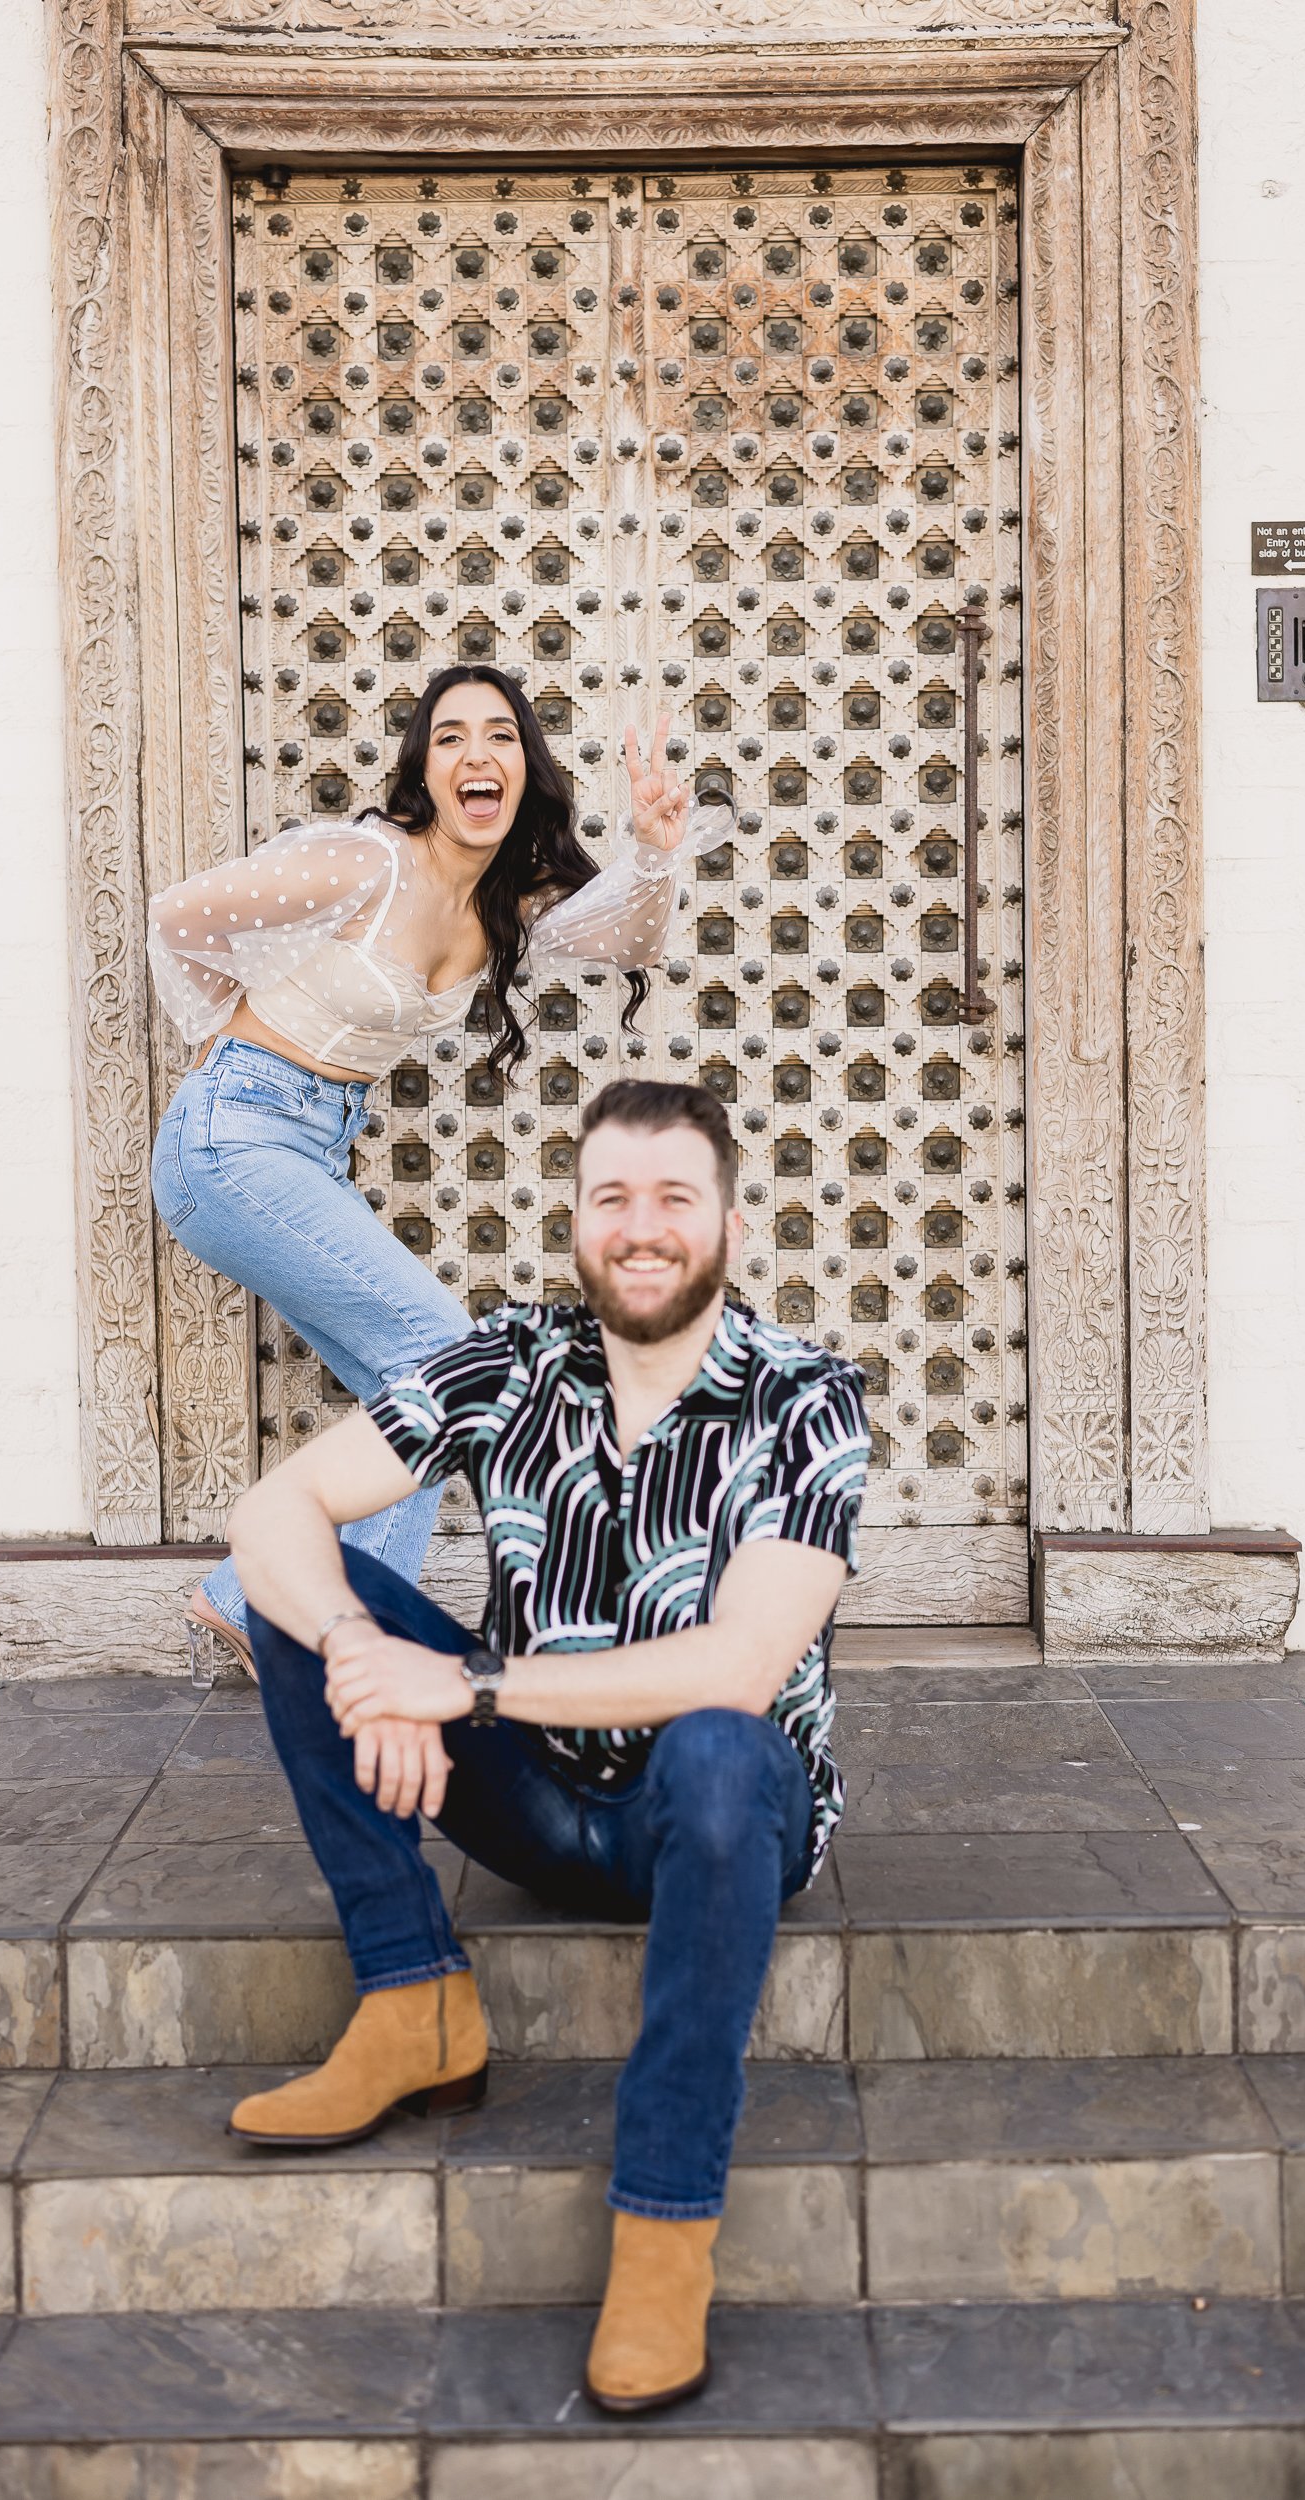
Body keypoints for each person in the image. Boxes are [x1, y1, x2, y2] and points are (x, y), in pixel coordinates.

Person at [225, 1079, 869, 2414]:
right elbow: (276, 1507)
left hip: (716, 1819)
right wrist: (359, 1651)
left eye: (673, 1199)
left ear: (729, 1229)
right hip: (538, 1802)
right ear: (575, 1222)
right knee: (297, 1592)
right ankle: (416, 2002)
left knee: (714, 1745)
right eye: (612, 1197)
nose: (641, 1228)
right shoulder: (512, 1358)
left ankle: (662, 2220)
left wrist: (452, 1689)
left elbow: (742, 1666)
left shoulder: (804, 1399)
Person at [147, 667, 730, 1677]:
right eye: (450, 735)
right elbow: (183, 917)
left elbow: (627, 933)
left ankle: (273, 1607)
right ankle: (307, 1619)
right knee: (443, 1361)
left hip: (308, 1148)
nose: (476, 754)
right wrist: (221, 1055)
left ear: (522, 769)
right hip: (233, 1136)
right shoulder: (364, 863)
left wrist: (652, 849)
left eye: (498, 736)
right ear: (423, 767)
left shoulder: (500, 905)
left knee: (420, 1393)